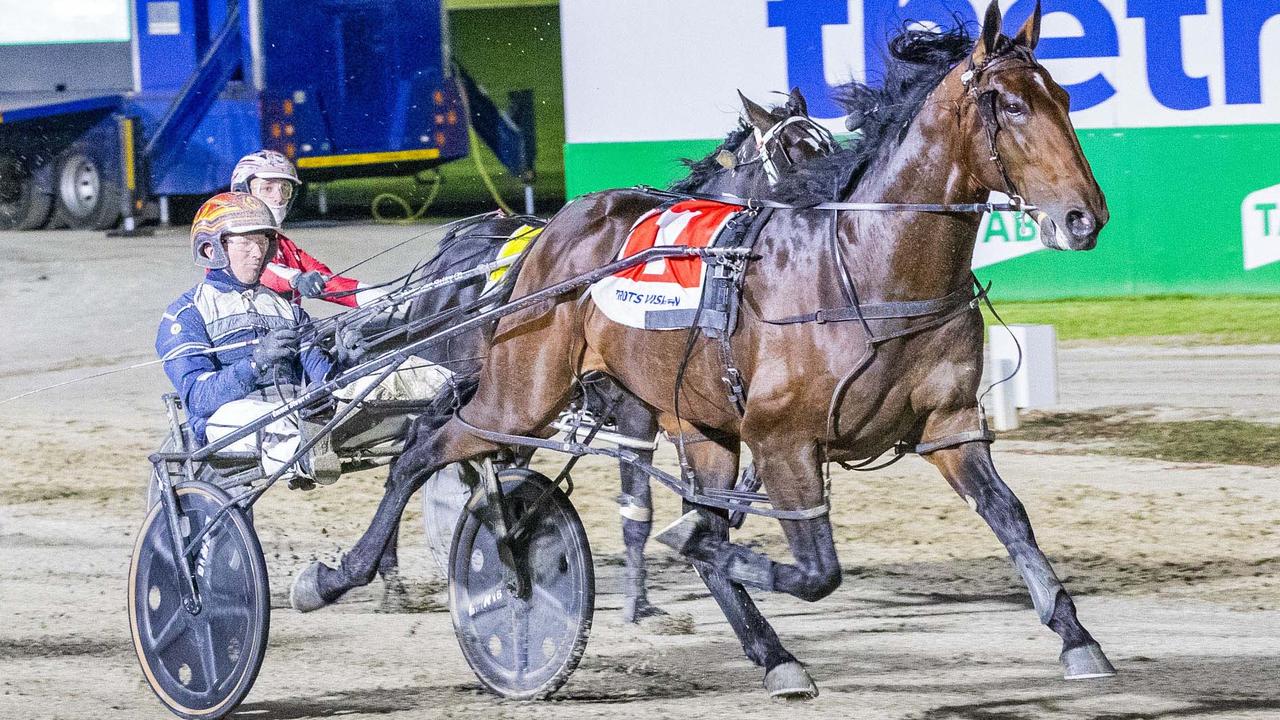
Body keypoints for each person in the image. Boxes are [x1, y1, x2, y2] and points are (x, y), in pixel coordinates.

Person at [155, 192, 339, 484]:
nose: (257, 252)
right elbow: (199, 399)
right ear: (212, 248)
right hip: (225, 425)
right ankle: (304, 457)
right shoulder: (186, 314)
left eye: (262, 242)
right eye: (246, 242)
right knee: (272, 419)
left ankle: (309, 449)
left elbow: (323, 375)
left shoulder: (287, 308)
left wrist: (346, 357)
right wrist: (256, 364)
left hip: (292, 411)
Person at [230, 150, 386, 308]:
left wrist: (392, 300)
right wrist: (296, 280)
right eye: (267, 189)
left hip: (285, 328)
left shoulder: (283, 245)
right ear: (242, 192)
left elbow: (327, 281)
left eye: (284, 189)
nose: (278, 198)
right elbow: (260, 272)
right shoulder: (229, 241)